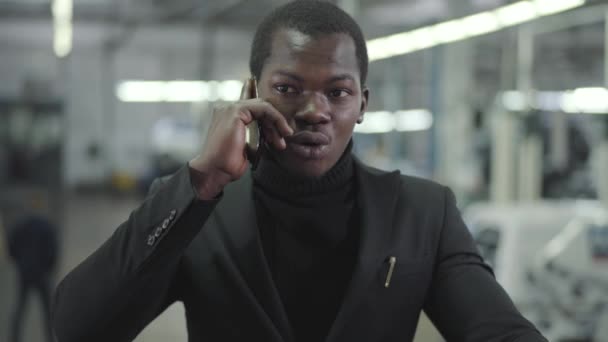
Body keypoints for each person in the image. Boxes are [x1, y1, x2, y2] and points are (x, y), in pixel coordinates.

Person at [52, 2, 548, 341]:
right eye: (288, 88)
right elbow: (76, 327)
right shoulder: (198, 209)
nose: (315, 110)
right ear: (251, 89)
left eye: (338, 92)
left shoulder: (423, 213)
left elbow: (500, 331)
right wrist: (200, 181)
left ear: (363, 104)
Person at [8, 195, 57, 342]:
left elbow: (11, 246)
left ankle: (14, 337)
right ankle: (49, 338)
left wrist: (19, 262)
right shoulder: (47, 226)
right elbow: (53, 250)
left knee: (20, 308)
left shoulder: (20, 225)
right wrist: (48, 267)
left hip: (25, 272)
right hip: (42, 273)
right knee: (47, 311)